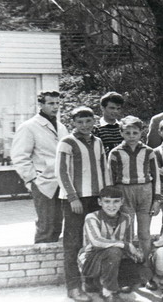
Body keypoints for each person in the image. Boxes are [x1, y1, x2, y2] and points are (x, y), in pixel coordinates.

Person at [56, 106, 110, 302]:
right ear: (73, 123)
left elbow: (104, 169)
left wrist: (105, 196)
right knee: (73, 244)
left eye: (88, 121)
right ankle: (73, 287)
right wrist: (73, 198)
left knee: (94, 242)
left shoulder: (98, 142)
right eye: (80, 122)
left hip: (95, 199)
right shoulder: (67, 142)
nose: (85, 125)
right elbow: (62, 172)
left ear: (94, 121)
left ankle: (92, 283)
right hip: (76, 200)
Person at [11, 90, 69, 244]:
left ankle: (50, 262)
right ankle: (39, 262)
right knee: (46, 226)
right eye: (51, 103)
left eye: (57, 103)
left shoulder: (61, 127)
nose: (55, 107)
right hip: (43, 183)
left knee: (58, 225)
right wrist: (32, 179)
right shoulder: (29, 127)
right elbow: (19, 156)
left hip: (61, 183)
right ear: (41, 104)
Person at [108, 115, 161, 261]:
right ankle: (131, 263)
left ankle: (146, 264)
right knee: (127, 231)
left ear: (141, 133)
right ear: (121, 133)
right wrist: (114, 200)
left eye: (135, 133)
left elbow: (156, 176)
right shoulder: (115, 153)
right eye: (127, 133)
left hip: (145, 191)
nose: (131, 136)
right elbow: (110, 178)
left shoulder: (149, 151)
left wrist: (157, 199)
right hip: (124, 191)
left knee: (144, 232)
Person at [78, 186, 144, 302]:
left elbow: (127, 241)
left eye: (116, 201)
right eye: (107, 202)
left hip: (114, 259)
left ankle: (109, 284)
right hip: (91, 259)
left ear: (122, 202)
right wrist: (124, 245)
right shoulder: (92, 217)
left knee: (140, 272)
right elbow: (97, 241)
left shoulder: (126, 218)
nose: (111, 206)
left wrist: (135, 256)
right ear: (100, 202)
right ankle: (107, 289)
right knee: (114, 251)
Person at [92, 92, 125, 156]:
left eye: (118, 108)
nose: (115, 111)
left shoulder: (124, 127)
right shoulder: (95, 129)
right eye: (112, 108)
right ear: (102, 108)